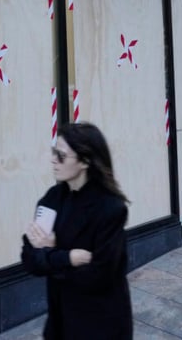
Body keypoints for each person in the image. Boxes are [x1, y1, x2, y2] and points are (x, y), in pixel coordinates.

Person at [21, 122, 133, 339]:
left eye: (61, 155)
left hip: (100, 325)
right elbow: (29, 259)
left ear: (85, 161)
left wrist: (49, 253)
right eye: (54, 153)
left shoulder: (110, 209)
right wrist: (68, 257)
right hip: (60, 322)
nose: (54, 160)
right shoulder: (52, 199)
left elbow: (99, 275)